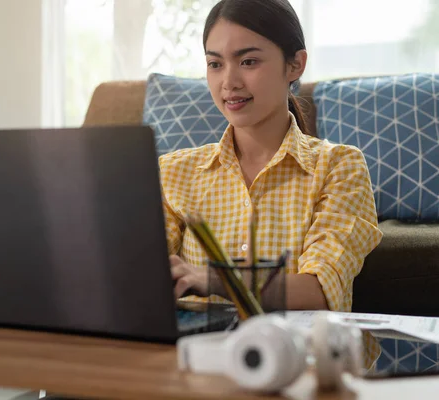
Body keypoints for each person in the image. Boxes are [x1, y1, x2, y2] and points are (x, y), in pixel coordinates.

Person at [158, 0, 383, 367]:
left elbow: (319, 290)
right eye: (215, 64)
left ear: (295, 64)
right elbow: (144, 281)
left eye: (248, 61)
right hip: (200, 368)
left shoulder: (339, 166)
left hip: (304, 370)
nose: (228, 81)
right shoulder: (173, 172)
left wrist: (214, 279)